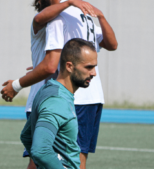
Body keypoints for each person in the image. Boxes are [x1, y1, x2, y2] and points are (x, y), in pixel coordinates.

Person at [0, 0, 118, 169]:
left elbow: (50, 64)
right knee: (75, 158)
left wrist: (17, 85)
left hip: (62, 96)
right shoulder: (86, 17)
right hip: (90, 96)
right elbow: (109, 46)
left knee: (41, 157)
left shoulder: (56, 17)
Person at [20, 38, 98, 169]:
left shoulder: (48, 90)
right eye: (88, 67)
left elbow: (26, 136)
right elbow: (40, 151)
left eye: (94, 67)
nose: (94, 73)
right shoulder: (57, 101)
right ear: (69, 66)